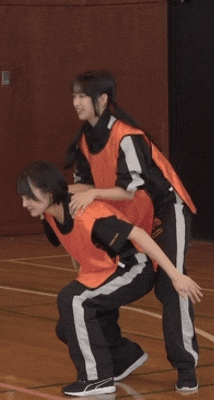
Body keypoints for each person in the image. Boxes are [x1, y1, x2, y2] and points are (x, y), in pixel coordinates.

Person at [17, 161, 202, 397]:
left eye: (29, 197)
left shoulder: (89, 214)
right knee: (67, 327)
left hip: (134, 267)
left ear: (50, 192)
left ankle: (96, 379)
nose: (24, 204)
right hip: (102, 271)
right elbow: (74, 241)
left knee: (73, 299)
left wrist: (175, 275)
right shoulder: (50, 215)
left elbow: (139, 234)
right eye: (22, 198)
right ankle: (124, 357)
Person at [65, 70, 200, 392]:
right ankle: (122, 355)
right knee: (104, 277)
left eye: (83, 96)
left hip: (165, 210)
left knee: (171, 282)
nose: (76, 102)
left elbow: (128, 191)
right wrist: (57, 194)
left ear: (102, 99)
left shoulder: (127, 136)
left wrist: (92, 194)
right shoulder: (84, 140)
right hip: (131, 214)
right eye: (74, 96)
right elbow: (84, 187)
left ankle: (186, 367)